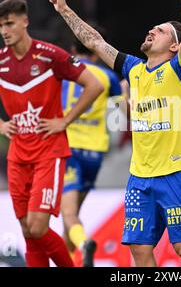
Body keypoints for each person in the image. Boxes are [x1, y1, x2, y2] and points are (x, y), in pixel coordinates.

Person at [49, 0, 181, 267]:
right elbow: (93, 42)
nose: (152, 30)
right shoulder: (133, 69)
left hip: (175, 174)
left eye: (161, 30)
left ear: (174, 46)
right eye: (153, 28)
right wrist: (65, 9)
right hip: (139, 178)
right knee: (139, 249)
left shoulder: (179, 69)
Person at [0, 0, 104, 267]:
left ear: (24, 22)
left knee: (38, 226)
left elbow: (94, 84)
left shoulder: (49, 55)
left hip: (48, 152)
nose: (4, 31)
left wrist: (64, 121)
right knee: (28, 233)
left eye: (9, 24)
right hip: (17, 154)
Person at [61, 37, 127, 267]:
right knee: (72, 215)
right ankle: (71, 260)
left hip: (68, 149)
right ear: (96, 54)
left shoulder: (62, 71)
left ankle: (84, 243)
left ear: (72, 49)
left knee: (68, 214)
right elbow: (122, 111)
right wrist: (126, 88)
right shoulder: (107, 77)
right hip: (95, 153)